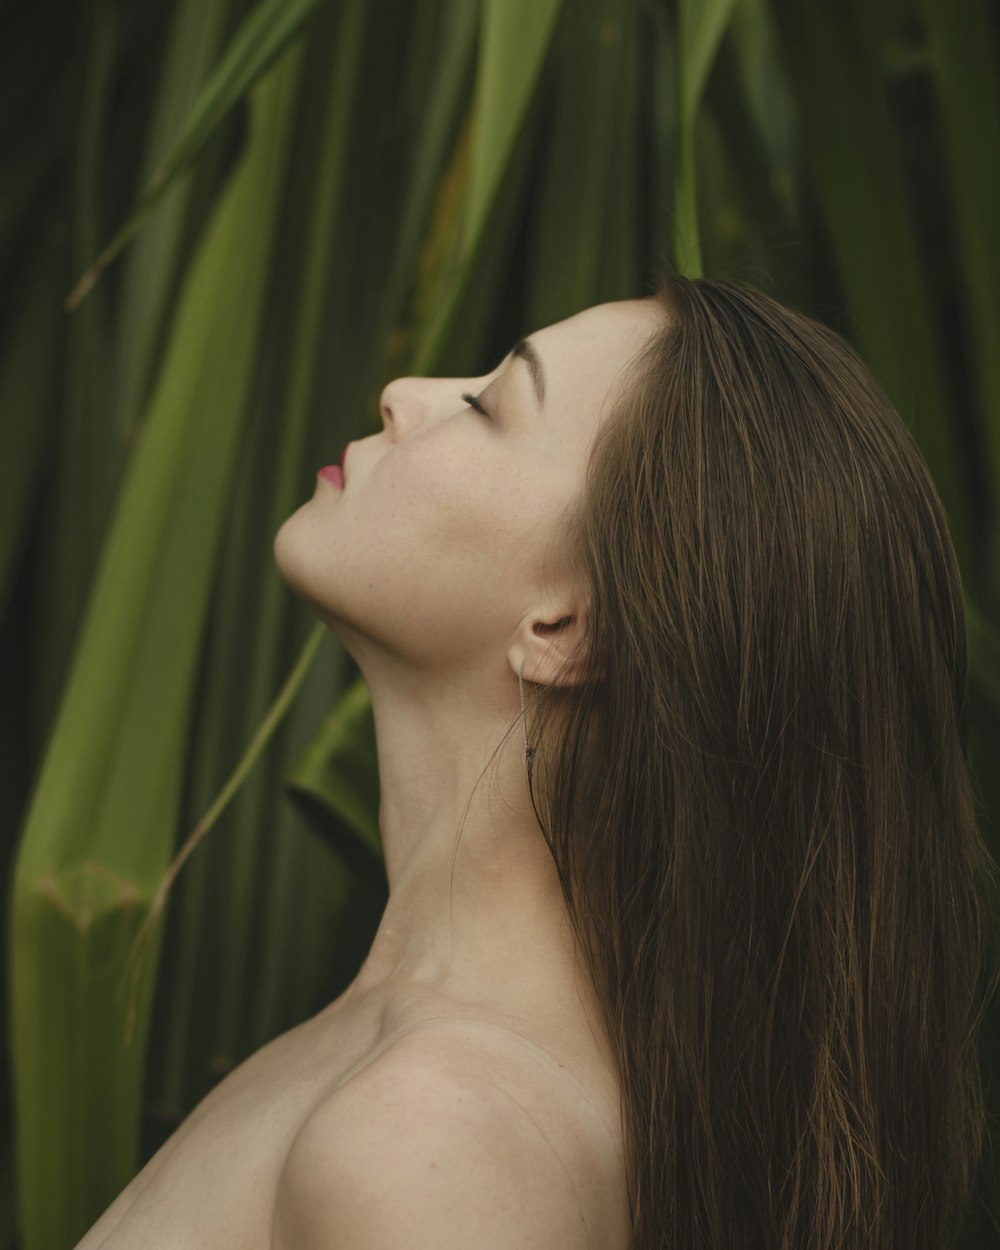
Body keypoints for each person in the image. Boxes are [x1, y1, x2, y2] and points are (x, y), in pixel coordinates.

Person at [76, 274, 1000, 1250]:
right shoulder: (402, 1073)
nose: (403, 392)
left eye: (485, 405)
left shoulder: (438, 1135)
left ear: (565, 624)